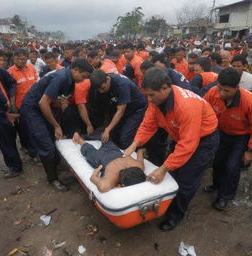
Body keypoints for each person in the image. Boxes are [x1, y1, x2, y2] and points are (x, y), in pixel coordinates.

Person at [124, 67, 219, 231]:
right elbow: (148, 124)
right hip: (182, 136)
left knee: (185, 181)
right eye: (147, 95)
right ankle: (169, 204)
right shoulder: (156, 100)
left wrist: (163, 168)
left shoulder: (186, 106)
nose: (149, 99)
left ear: (165, 88)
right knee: (173, 174)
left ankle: (175, 215)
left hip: (204, 140)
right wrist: (134, 144)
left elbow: (188, 144)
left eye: (151, 95)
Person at [20, 58, 93, 191]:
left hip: (44, 107)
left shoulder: (70, 79)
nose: (83, 80)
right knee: (46, 145)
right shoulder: (61, 77)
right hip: (32, 109)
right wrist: (56, 125)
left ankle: (53, 163)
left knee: (53, 138)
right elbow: (43, 102)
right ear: (75, 70)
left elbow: (55, 101)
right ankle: (52, 179)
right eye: (83, 76)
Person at [204, 67, 252, 210]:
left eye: (226, 90)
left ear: (237, 88)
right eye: (219, 88)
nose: (221, 93)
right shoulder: (212, 93)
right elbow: (203, 111)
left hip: (240, 138)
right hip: (221, 133)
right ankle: (216, 185)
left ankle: (225, 196)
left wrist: (249, 150)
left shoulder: (248, 101)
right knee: (217, 162)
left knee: (232, 166)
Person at [89, 70, 147, 149]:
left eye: (103, 88)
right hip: (123, 108)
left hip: (136, 109)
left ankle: (139, 150)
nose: (101, 91)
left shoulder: (122, 85)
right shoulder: (102, 82)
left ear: (108, 79)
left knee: (124, 139)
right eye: (99, 89)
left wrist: (108, 129)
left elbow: (120, 111)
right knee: (114, 135)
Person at [72, 132, 146, 192]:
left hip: (115, 152)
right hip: (102, 158)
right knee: (88, 151)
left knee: (106, 140)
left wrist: (142, 150)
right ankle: (79, 140)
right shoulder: (112, 179)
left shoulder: (139, 166)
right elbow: (93, 178)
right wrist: (97, 170)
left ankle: (100, 134)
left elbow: (140, 151)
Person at [8, 48, 38, 161]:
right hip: (21, 107)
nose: (21, 61)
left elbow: (36, 84)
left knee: (33, 128)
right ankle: (32, 153)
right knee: (26, 130)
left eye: (24, 58)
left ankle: (31, 148)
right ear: (13, 59)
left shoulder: (31, 68)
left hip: (34, 104)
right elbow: (10, 92)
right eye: (18, 58)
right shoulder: (10, 72)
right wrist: (13, 107)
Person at [0, 67, 22, 178]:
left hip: (0, 115)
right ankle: (13, 165)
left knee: (6, 143)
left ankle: (15, 167)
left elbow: (0, 97)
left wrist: (6, 110)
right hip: (1, 114)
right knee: (6, 142)